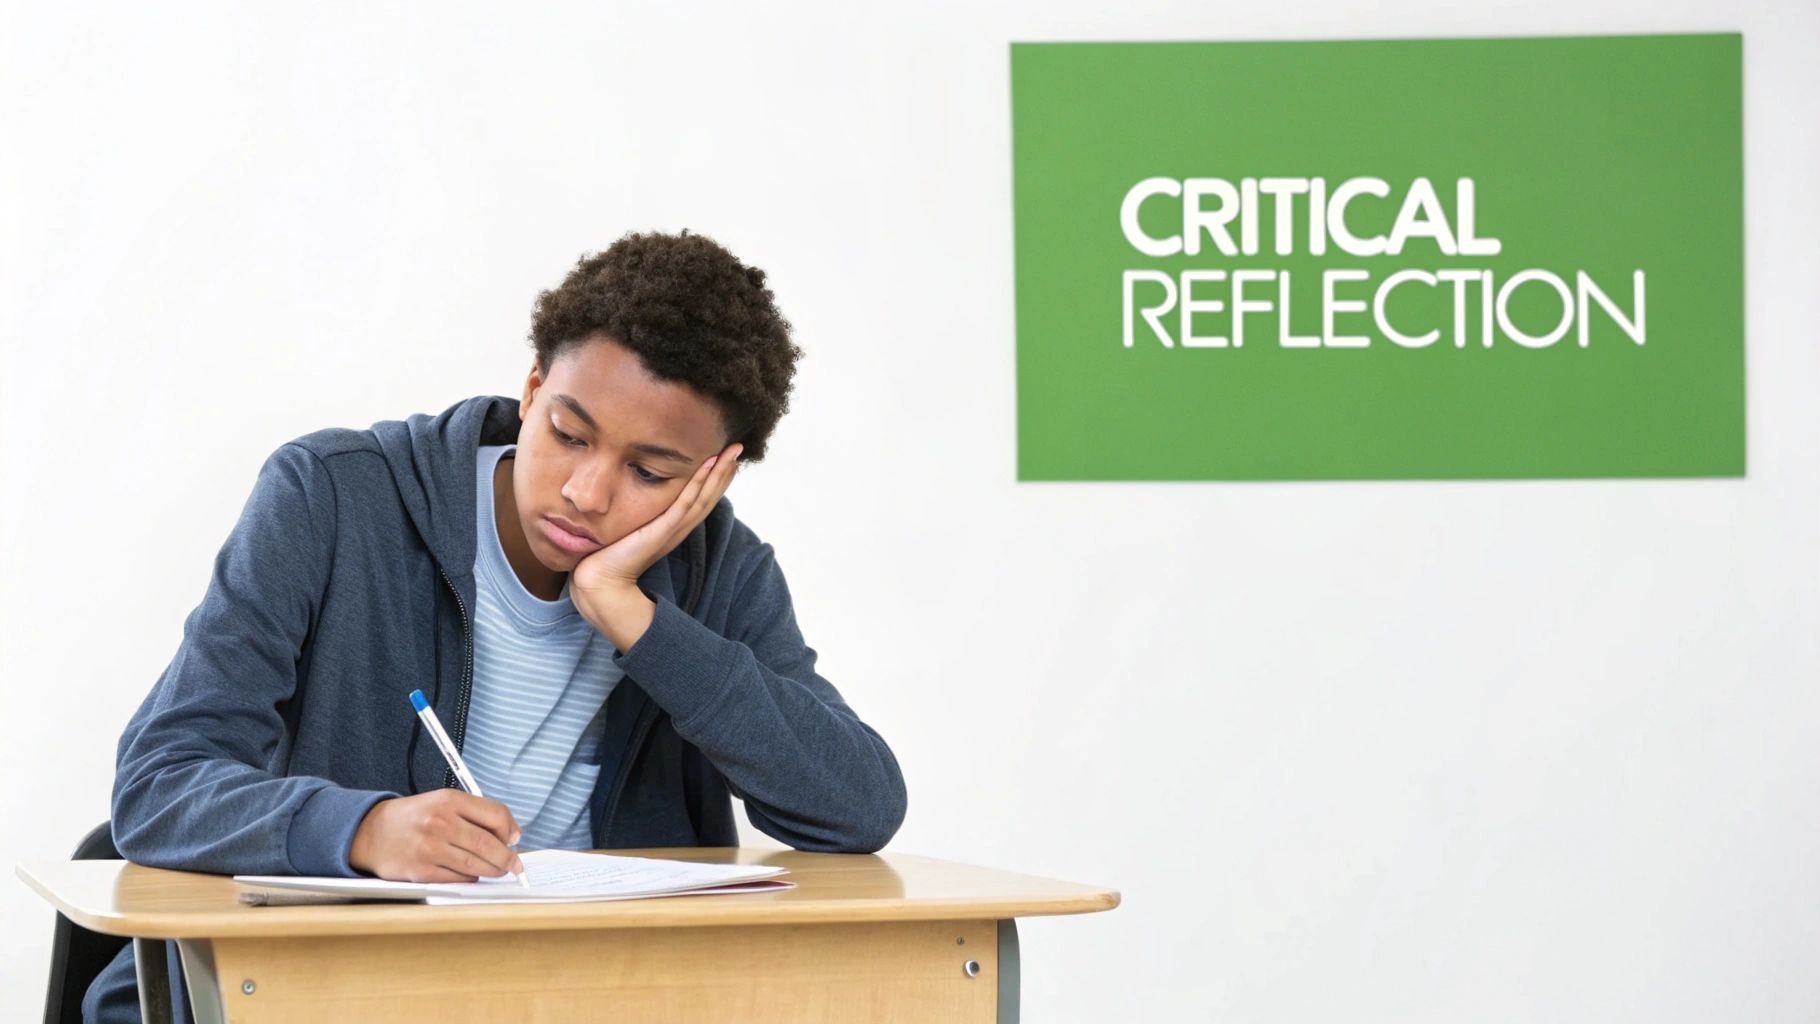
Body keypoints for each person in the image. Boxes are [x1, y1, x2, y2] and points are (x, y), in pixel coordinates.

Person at [84, 231, 908, 1022]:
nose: (587, 492)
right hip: (310, 991)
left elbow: (858, 806)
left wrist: (639, 621)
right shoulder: (332, 498)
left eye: (650, 472)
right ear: (531, 389)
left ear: (716, 476)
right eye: (567, 433)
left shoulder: (716, 575)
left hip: (589, 994)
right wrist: (362, 830)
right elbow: (160, 783)